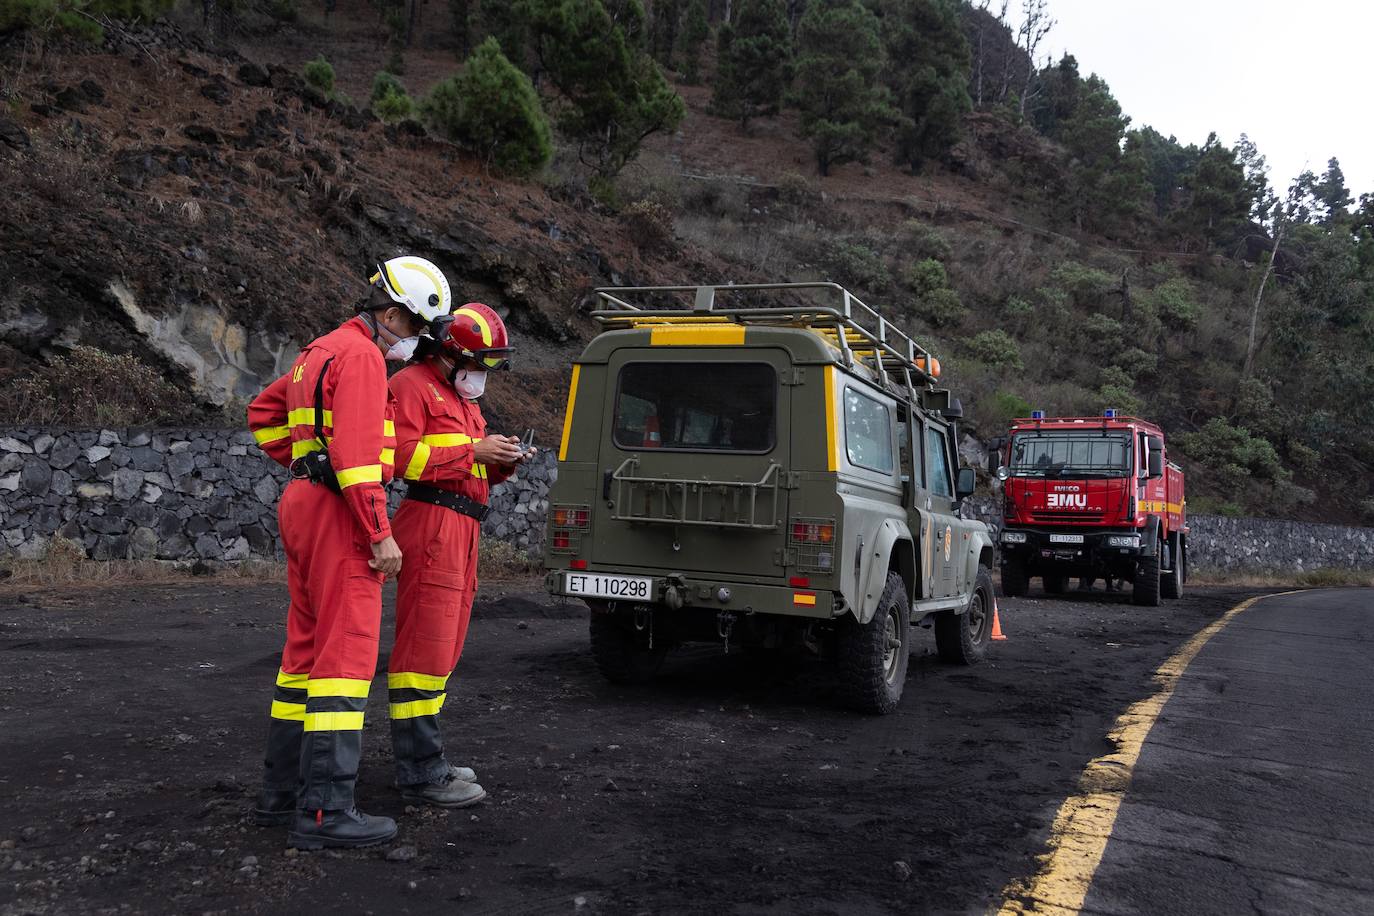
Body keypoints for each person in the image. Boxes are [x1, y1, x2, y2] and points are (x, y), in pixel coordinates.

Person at [246, 256, 452, 849]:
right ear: (390, 314)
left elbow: (263, 413)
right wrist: (379, 533)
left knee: (303, 654)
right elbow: (361, 463)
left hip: (306, 504)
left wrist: (305, 462)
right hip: (341, 514)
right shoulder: (362, 358)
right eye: (414, 328)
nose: (415, 342)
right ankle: (326, 813)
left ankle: (279, 797)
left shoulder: (320, 349)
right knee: (347, 656)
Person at [386, 301, 533, 806]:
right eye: (479, 362)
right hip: (432, 524)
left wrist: (502, 458)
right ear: (451, 354)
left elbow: (470, 465)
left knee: (444, 646)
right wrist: (474, 451)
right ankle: (421, 771)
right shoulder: (410, 386)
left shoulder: (459, 397)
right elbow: (400, 458)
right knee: (424, 648)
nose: (482, 374)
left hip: (461, 527)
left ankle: (428, 758)